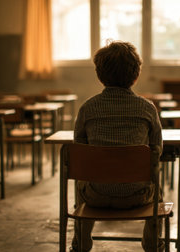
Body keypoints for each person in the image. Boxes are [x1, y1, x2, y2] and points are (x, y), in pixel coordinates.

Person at [71, 41, 163, 251]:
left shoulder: (88, 108)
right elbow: (157, 151)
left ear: (99, 75)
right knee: (157, 189)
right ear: (136, 74)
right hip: (137, 195)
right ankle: (152, 245)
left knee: (81, 181)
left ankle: (81, 244)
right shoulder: (147, 108)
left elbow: (79, 153)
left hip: (96, 195)